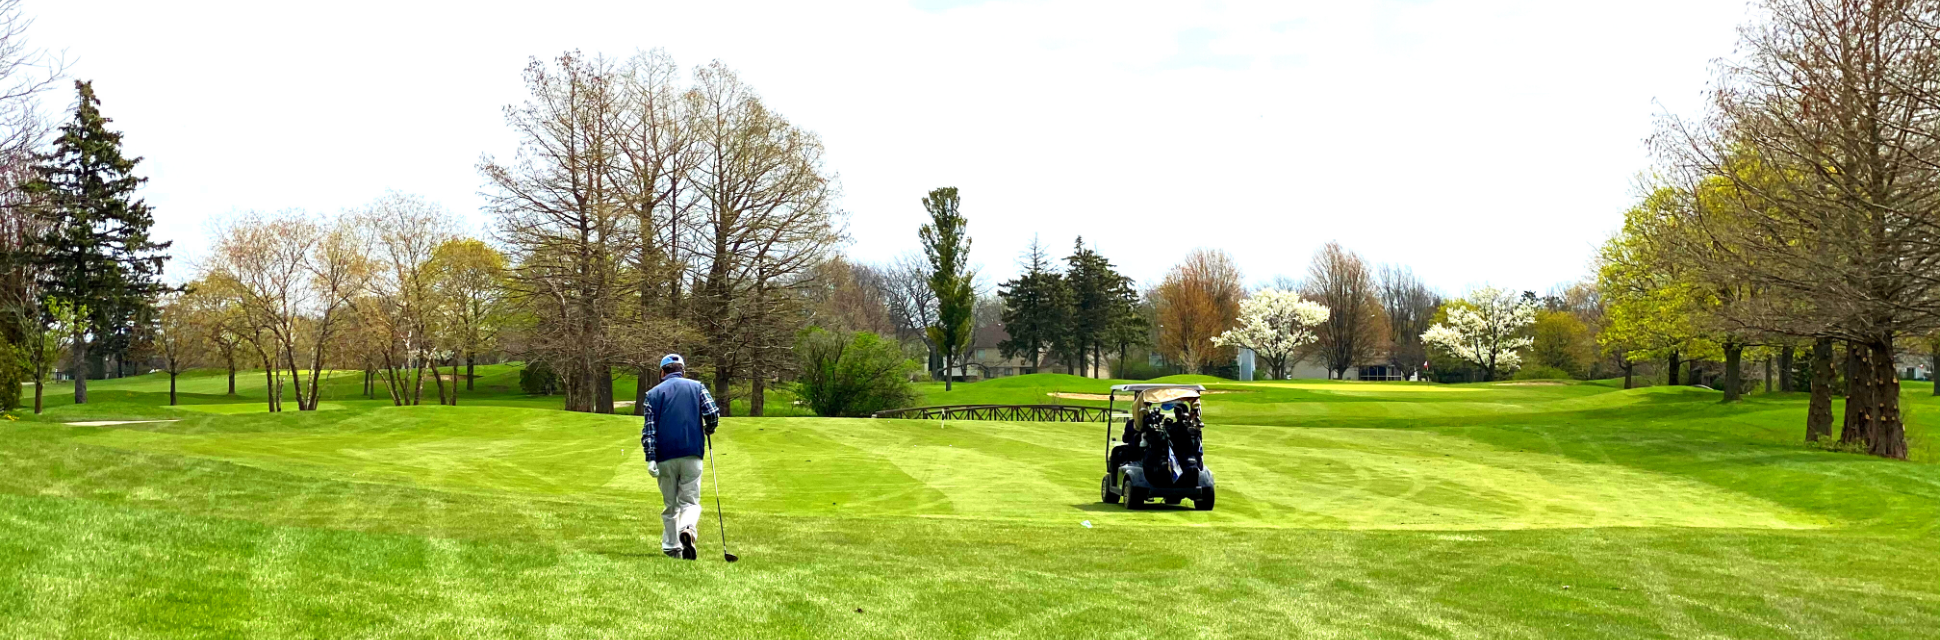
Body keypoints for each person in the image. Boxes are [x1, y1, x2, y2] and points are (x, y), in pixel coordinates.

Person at [640, 354, 720, 560]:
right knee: (690, 501)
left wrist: (650, 457)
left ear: (662, 372)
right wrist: (709, 428)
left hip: (664, 456)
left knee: (670, 505)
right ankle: (688, 529)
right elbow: (712, 413)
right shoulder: (697, 387)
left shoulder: (652, 394)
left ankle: (672, 547)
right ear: (682, 371)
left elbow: (649, 430)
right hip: (692, 453)